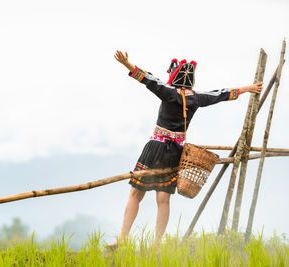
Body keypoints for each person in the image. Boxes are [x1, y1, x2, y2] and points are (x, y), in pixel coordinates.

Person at [108, 50, 263, 249]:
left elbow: (146, 78)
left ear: (174, 77)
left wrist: (126, 64)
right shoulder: (196, 98)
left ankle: (123, 239)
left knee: (136, 194)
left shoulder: (168, 91)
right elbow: (222, 94)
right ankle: (156, 244)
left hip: (156, 147)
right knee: (163, 199)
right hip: (174, 152)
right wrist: (248, 88)